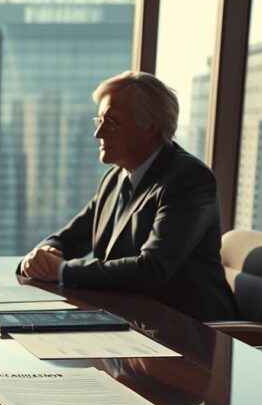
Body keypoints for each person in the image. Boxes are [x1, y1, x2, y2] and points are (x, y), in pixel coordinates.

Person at [19, 71, 237, 322]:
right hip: (128, 319)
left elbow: (152, 269)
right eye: (98, 120)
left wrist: (63, 271)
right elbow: (71, 237)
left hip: (188, 330)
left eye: (111, 122)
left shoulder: (189, 179)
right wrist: (43, 255)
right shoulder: (115, 178)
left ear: (151, 127)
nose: (98, 134)